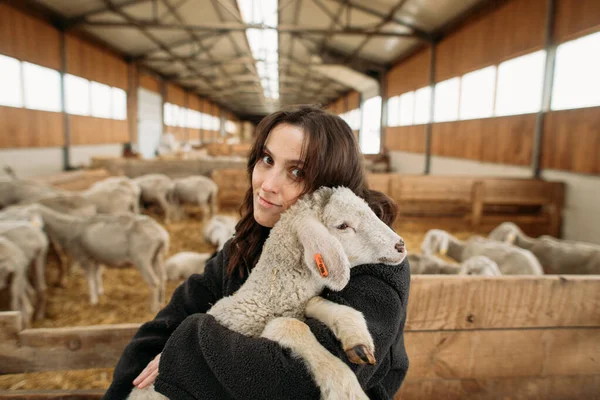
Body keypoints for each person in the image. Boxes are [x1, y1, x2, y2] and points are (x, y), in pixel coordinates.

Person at [103, 105, 410, 400]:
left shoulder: (375, 264)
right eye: (267, 159)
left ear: (329, 184)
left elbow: (296, 383)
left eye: (296, 172)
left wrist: (191, 344)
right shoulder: (248, 244)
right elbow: (163, 327)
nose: (267, 185)